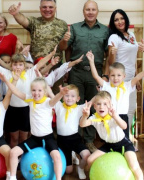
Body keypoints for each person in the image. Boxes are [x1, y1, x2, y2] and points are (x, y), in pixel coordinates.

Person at [0, 47, 57, 148]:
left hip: (26, 110)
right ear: (11, 65)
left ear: (24, 65)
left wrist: (52, 53)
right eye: (15, 64)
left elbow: (40, 63)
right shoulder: (7, 73)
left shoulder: (30, 73)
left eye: (20, 64)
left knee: (24, 137)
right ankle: (15, 158)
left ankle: (23, 159)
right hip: (12, 110)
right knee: (13, 138)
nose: (18, 67)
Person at [0, 72, 70, 180]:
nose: (36, 93)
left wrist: (60, 94)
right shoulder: (30, 100)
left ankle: (58, 178)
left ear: (45, 92)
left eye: (39, 90)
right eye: (34, 90)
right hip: (34, 139)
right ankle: (12, 177)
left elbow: (55, 100)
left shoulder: (47, 102)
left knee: (57, 156)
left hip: (48, 138)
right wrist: (6, 80)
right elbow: (15, 91)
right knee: (13, 152)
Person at [58, 0, 109, 152]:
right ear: (83, 11)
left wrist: (105, 75)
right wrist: (64, 41)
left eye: (93, 9)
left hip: (96, 73)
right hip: (77, 72)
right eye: (88, 9)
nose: (90, 12)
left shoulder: (105, 30)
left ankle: (88, 141)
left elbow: (108, 55)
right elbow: (64, 48)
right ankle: (76, 140)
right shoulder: (74, 28)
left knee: (93, 106)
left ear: (97, 12)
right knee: (73, 105)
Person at [80, 91, 143, 180]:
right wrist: (84, 116)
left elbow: (124, 126)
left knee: (134, 167)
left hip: (123, 144)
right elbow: (82, 124)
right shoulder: (94, 118)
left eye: (105, 104)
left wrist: (115, 116)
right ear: (94, 106)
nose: (101, 106)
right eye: (98, 104)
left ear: (110, 105)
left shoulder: (113, 116)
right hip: (109, 145)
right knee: (90, 160)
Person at [8, 0, 68, 93]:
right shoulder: (34, 21)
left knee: (55, 94)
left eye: (50, 7)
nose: (47, 9)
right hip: (35, 67)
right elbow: (23, 20)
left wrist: (65, 40)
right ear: (40, 9)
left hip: (55, 66)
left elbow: (63, 47)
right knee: (35, 93)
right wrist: (16, 14)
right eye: (44, 7)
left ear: (55, 9)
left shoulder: (62, 24)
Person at [87, 51, 144, 139]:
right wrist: (91, 61)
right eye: (113, 75)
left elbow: (137, 77)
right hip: (109, 116)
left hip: (122, 117)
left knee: (124, 139)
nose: (116, 78)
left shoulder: (127, 86)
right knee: (111, 138)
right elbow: (96, 76)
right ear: (109, 75)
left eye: (119, 75)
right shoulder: (106, 86)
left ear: (124, 76)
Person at [107, 9, 144, 140]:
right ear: (113, 23)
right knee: (120, 110)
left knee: (131, 109)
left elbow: (133, 59)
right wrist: (112, 54)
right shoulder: (114, 37)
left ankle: (127, 139)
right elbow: (111, 63)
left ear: (126, 19)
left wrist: (136, 78)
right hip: (119, 78)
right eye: (116, 20)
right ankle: (119, 139)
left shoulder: (132, 35)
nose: (120, 22)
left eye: (121, 18)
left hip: (131, 78)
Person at [55, 84, 91, 179]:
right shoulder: (58, 106)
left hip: (75, 138)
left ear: (78, 98)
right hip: (62, 141)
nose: (69, 98)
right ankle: (72, 154)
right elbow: (51, 96)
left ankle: (80, 168)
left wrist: (101, 90)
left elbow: (91, 102)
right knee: (69, 171)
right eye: (66, 95)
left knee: (86, 154)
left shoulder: (79, 108)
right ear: (63, 96)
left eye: (72, 96)